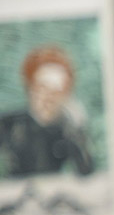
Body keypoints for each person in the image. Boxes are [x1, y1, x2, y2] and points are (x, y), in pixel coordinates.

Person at [0, 45, 95, 178]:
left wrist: (77, 127)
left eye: (57, 91)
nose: (48, 98)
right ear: (30, 88)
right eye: (42, 87)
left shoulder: (67, 129)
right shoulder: (8, 124)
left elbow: (87, 172)